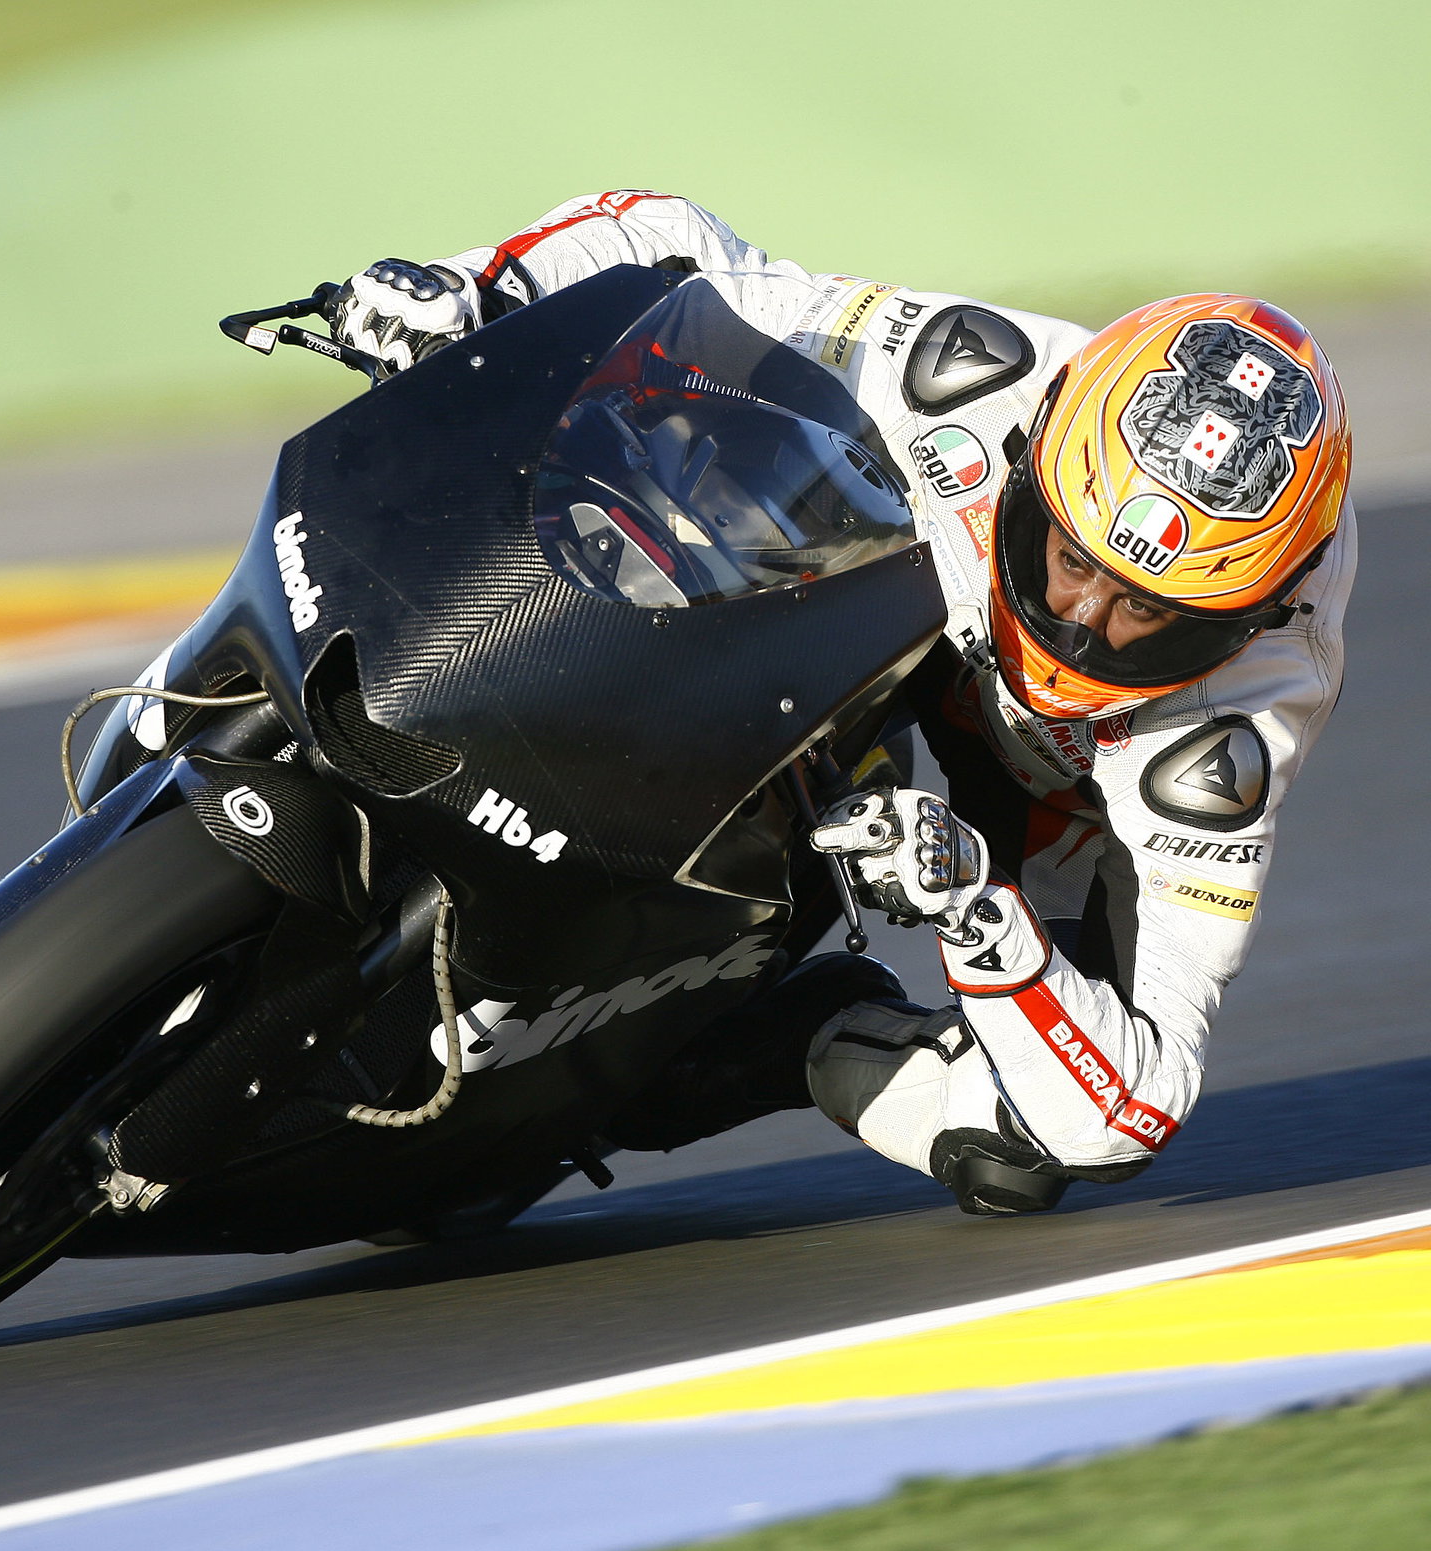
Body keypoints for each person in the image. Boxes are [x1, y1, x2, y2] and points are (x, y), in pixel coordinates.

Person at [328, 191, 1354, 1216]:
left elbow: (1138, 1097)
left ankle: (771, 1036)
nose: (1080, 620)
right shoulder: (972, 374)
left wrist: (975, 905)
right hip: (893, 591)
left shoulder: (1236, 720)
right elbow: (682, 250)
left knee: (1021, 1143)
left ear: (1249, 621)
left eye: (1149, 616)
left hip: (1057, 779)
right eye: (1069, 559)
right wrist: (476, 285)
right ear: (1034, 453)